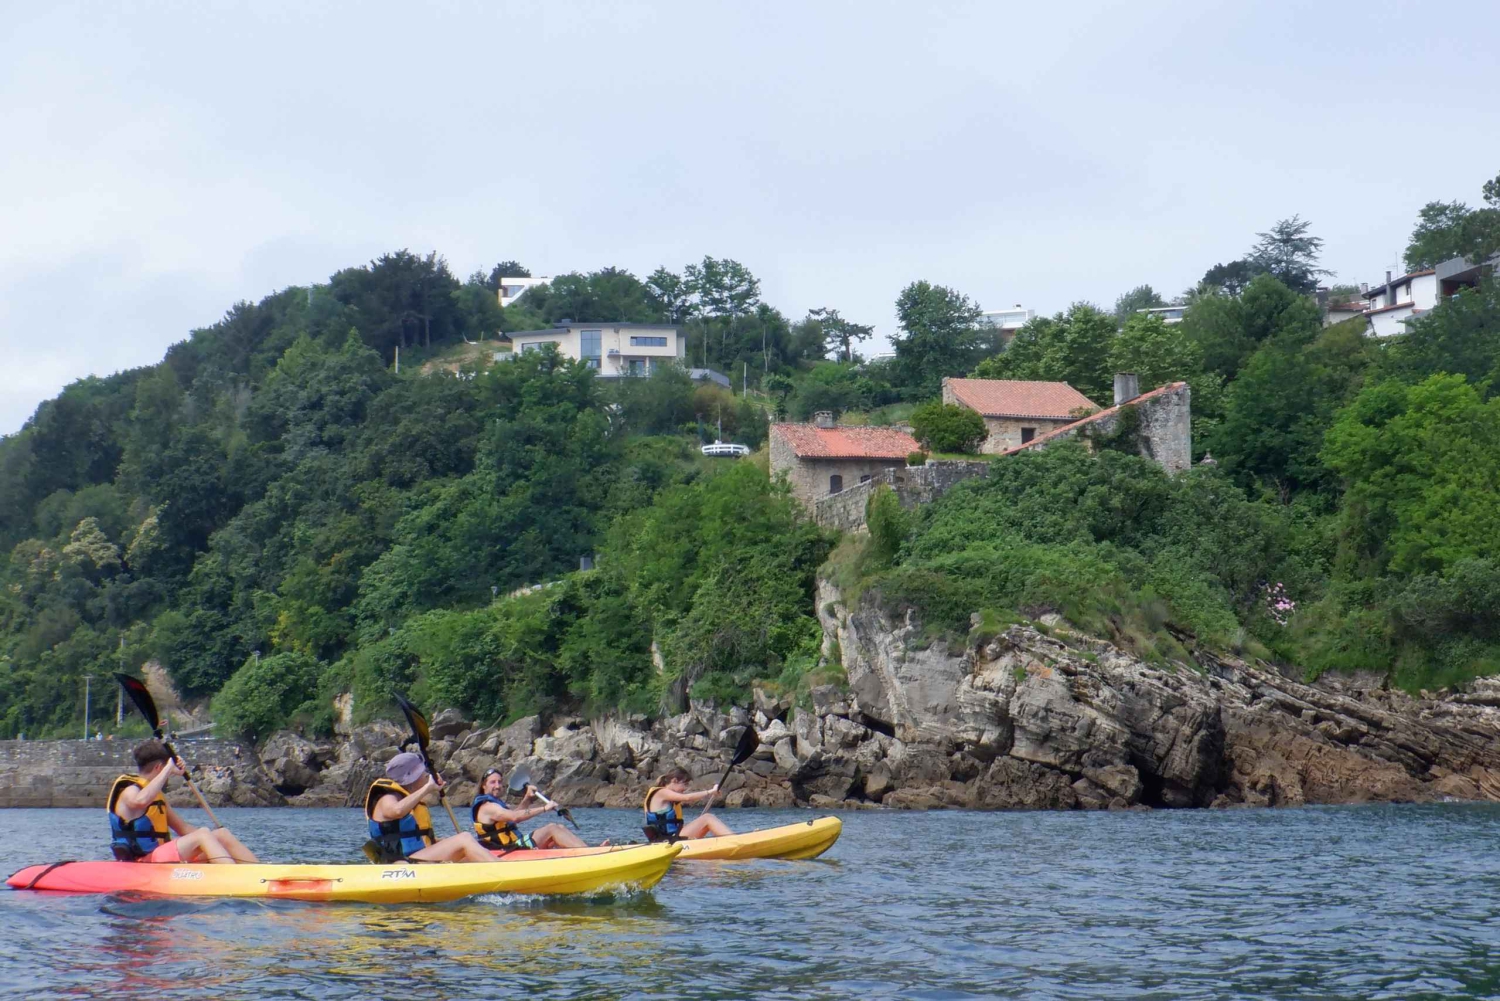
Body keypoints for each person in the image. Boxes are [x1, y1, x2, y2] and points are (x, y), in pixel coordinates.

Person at [108, 740, 259, 864]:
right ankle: (234, 876)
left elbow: (183, 829)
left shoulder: (157, 797)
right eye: (167, 771)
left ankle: (259, 872)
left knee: (221, 834)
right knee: (203, 835)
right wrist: (168, 768)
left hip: (160, 855)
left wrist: (215, 839)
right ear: (159, 767)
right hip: (143, 860)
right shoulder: (129, 789)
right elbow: (140, 801)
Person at [364, 752, 493, 863]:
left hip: (415, 859)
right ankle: (506, 874)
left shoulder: (406, 798)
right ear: (411, 777)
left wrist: (451, 843)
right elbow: (397, 811)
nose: (426, 775)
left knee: (468, 853)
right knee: (464, 838)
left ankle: (500, 875)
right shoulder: (386, 797)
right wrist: (428, 788)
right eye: (423, 773)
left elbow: (421, 839)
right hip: (400, 864)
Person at [470, 768, 592, 851]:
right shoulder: (487, 806)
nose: (497, 786)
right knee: (552, 829)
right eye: (493, 782)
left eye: (499, 782)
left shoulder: (494, 804)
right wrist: (544, 808)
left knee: (560, 828)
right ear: (483, 785)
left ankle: (585, 851)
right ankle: (590, 855)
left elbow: (512, 817)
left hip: (513, 846)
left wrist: (527, 799)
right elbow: (515, 817)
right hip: (506, 851)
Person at [643, 767, 733, 841]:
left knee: (705, 825)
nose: (685, 788)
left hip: (671, 837)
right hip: (668, 839)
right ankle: (733, 841)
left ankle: (721, 846)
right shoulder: (661, 792)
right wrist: (710, 792)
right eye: (684, 784)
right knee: (707, 818)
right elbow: (687, 798)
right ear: (674, 781)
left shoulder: (669, 798)